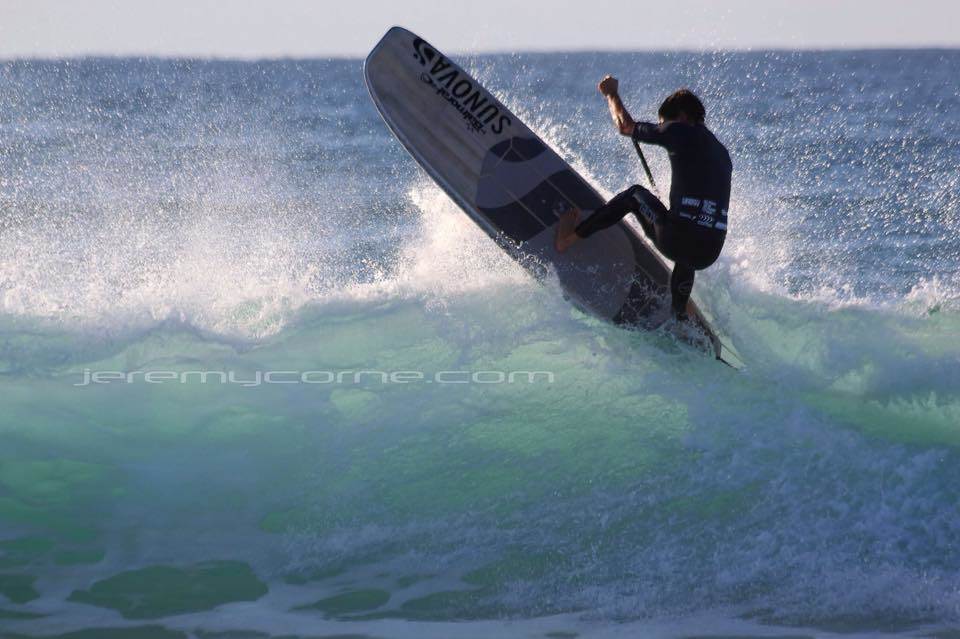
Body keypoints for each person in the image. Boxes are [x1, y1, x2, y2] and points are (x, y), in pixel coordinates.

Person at [555, 77, 732, 319]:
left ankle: (567, 239)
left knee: (634, 195)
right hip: (709, 251)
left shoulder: (680, 130)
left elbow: (625, 126)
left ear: (681, 116)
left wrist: (611, 94)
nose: (664, 129)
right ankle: (679, 315)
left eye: (664, 124)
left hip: (677, 239)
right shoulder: (722, 153)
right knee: (689, 241)